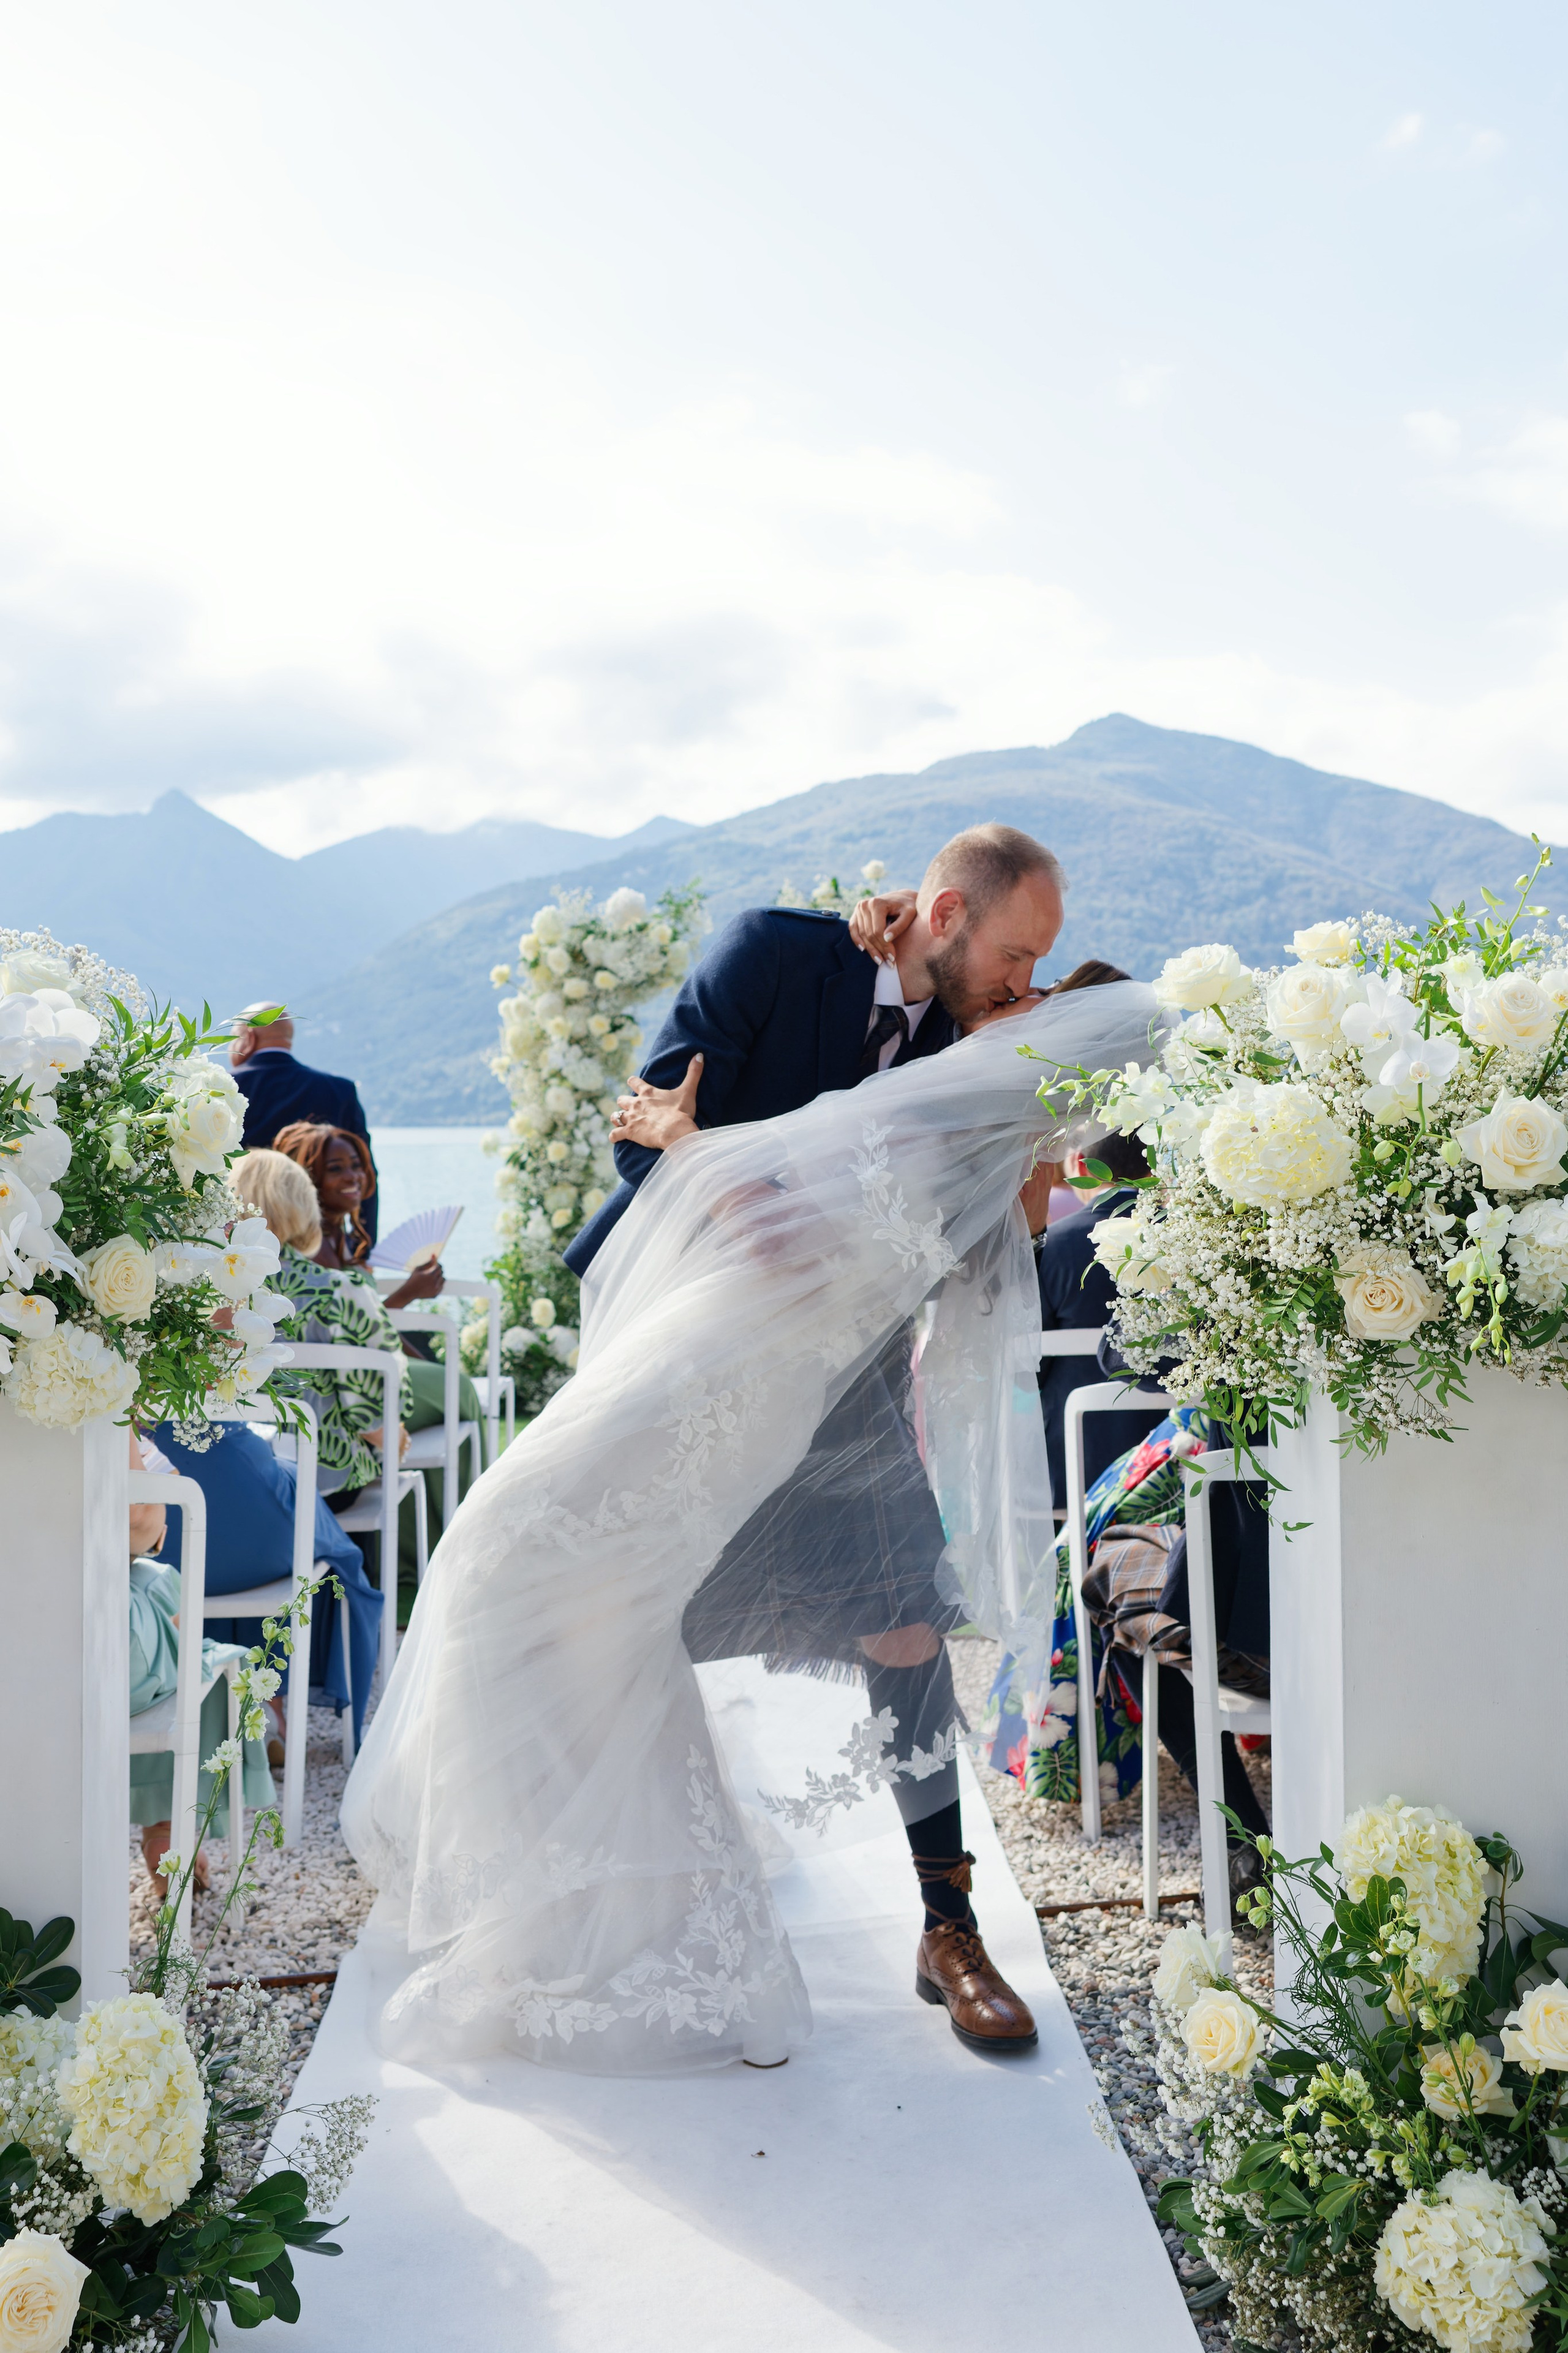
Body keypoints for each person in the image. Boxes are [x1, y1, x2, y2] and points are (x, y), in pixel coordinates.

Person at [338, 839, 1161, 2080]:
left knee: (903, 1625)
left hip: (849, 1376)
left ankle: (950, 1932)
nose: (1018, 980)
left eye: (1038, 965)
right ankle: (570, 1898)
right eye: (1011, 953)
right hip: (697, 1358)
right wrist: (710, 1174)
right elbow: (641, 1140)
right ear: (940, 914)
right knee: (584, 1604)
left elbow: (975, 1186)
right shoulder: (774, 954)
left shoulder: (983, 1038)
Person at [257, 1133, 486, 1552]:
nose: (353, 1177)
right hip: (338, 1449)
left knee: (446, 1388)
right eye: (337, 1168)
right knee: (458, 1393)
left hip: (270, 1456)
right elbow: (358, 1352)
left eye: (357, 1165)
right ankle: (452, 1539)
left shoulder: (230, 1285)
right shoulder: (323, 1266)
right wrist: (410, 1295)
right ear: (304, 1188)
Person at [127, 1433, 276, 1895]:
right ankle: (164, 1823)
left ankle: (161, 1826)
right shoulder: (98, 1393)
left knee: (157, 1588)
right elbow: (137, 1518)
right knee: (191, 1643)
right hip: (101, 1643)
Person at [230, 1003, 379, 1245]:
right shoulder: (339, 1091)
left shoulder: (223, 1088)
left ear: (249, 1036)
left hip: (244, 1237)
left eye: (232, 1039)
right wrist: (364, 1245)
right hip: (321, 1240)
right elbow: (366, 1171)